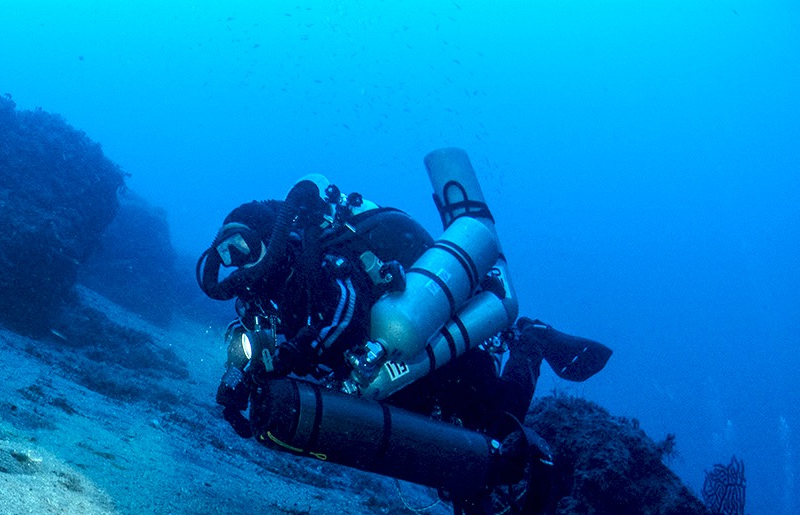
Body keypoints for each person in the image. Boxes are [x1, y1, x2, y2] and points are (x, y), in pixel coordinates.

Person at [199, 174, 611, 445]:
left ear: (271, 241)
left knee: (495, 422)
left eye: (245, 249)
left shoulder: (318, 263)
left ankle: (529, 341)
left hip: (425, 347)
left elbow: (347, 316)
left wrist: (289, 358)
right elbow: (252, 335)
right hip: (385, 369)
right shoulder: (266, 288)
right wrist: (238, 376)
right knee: (442, 424)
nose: (238, 266)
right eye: (229, 254)